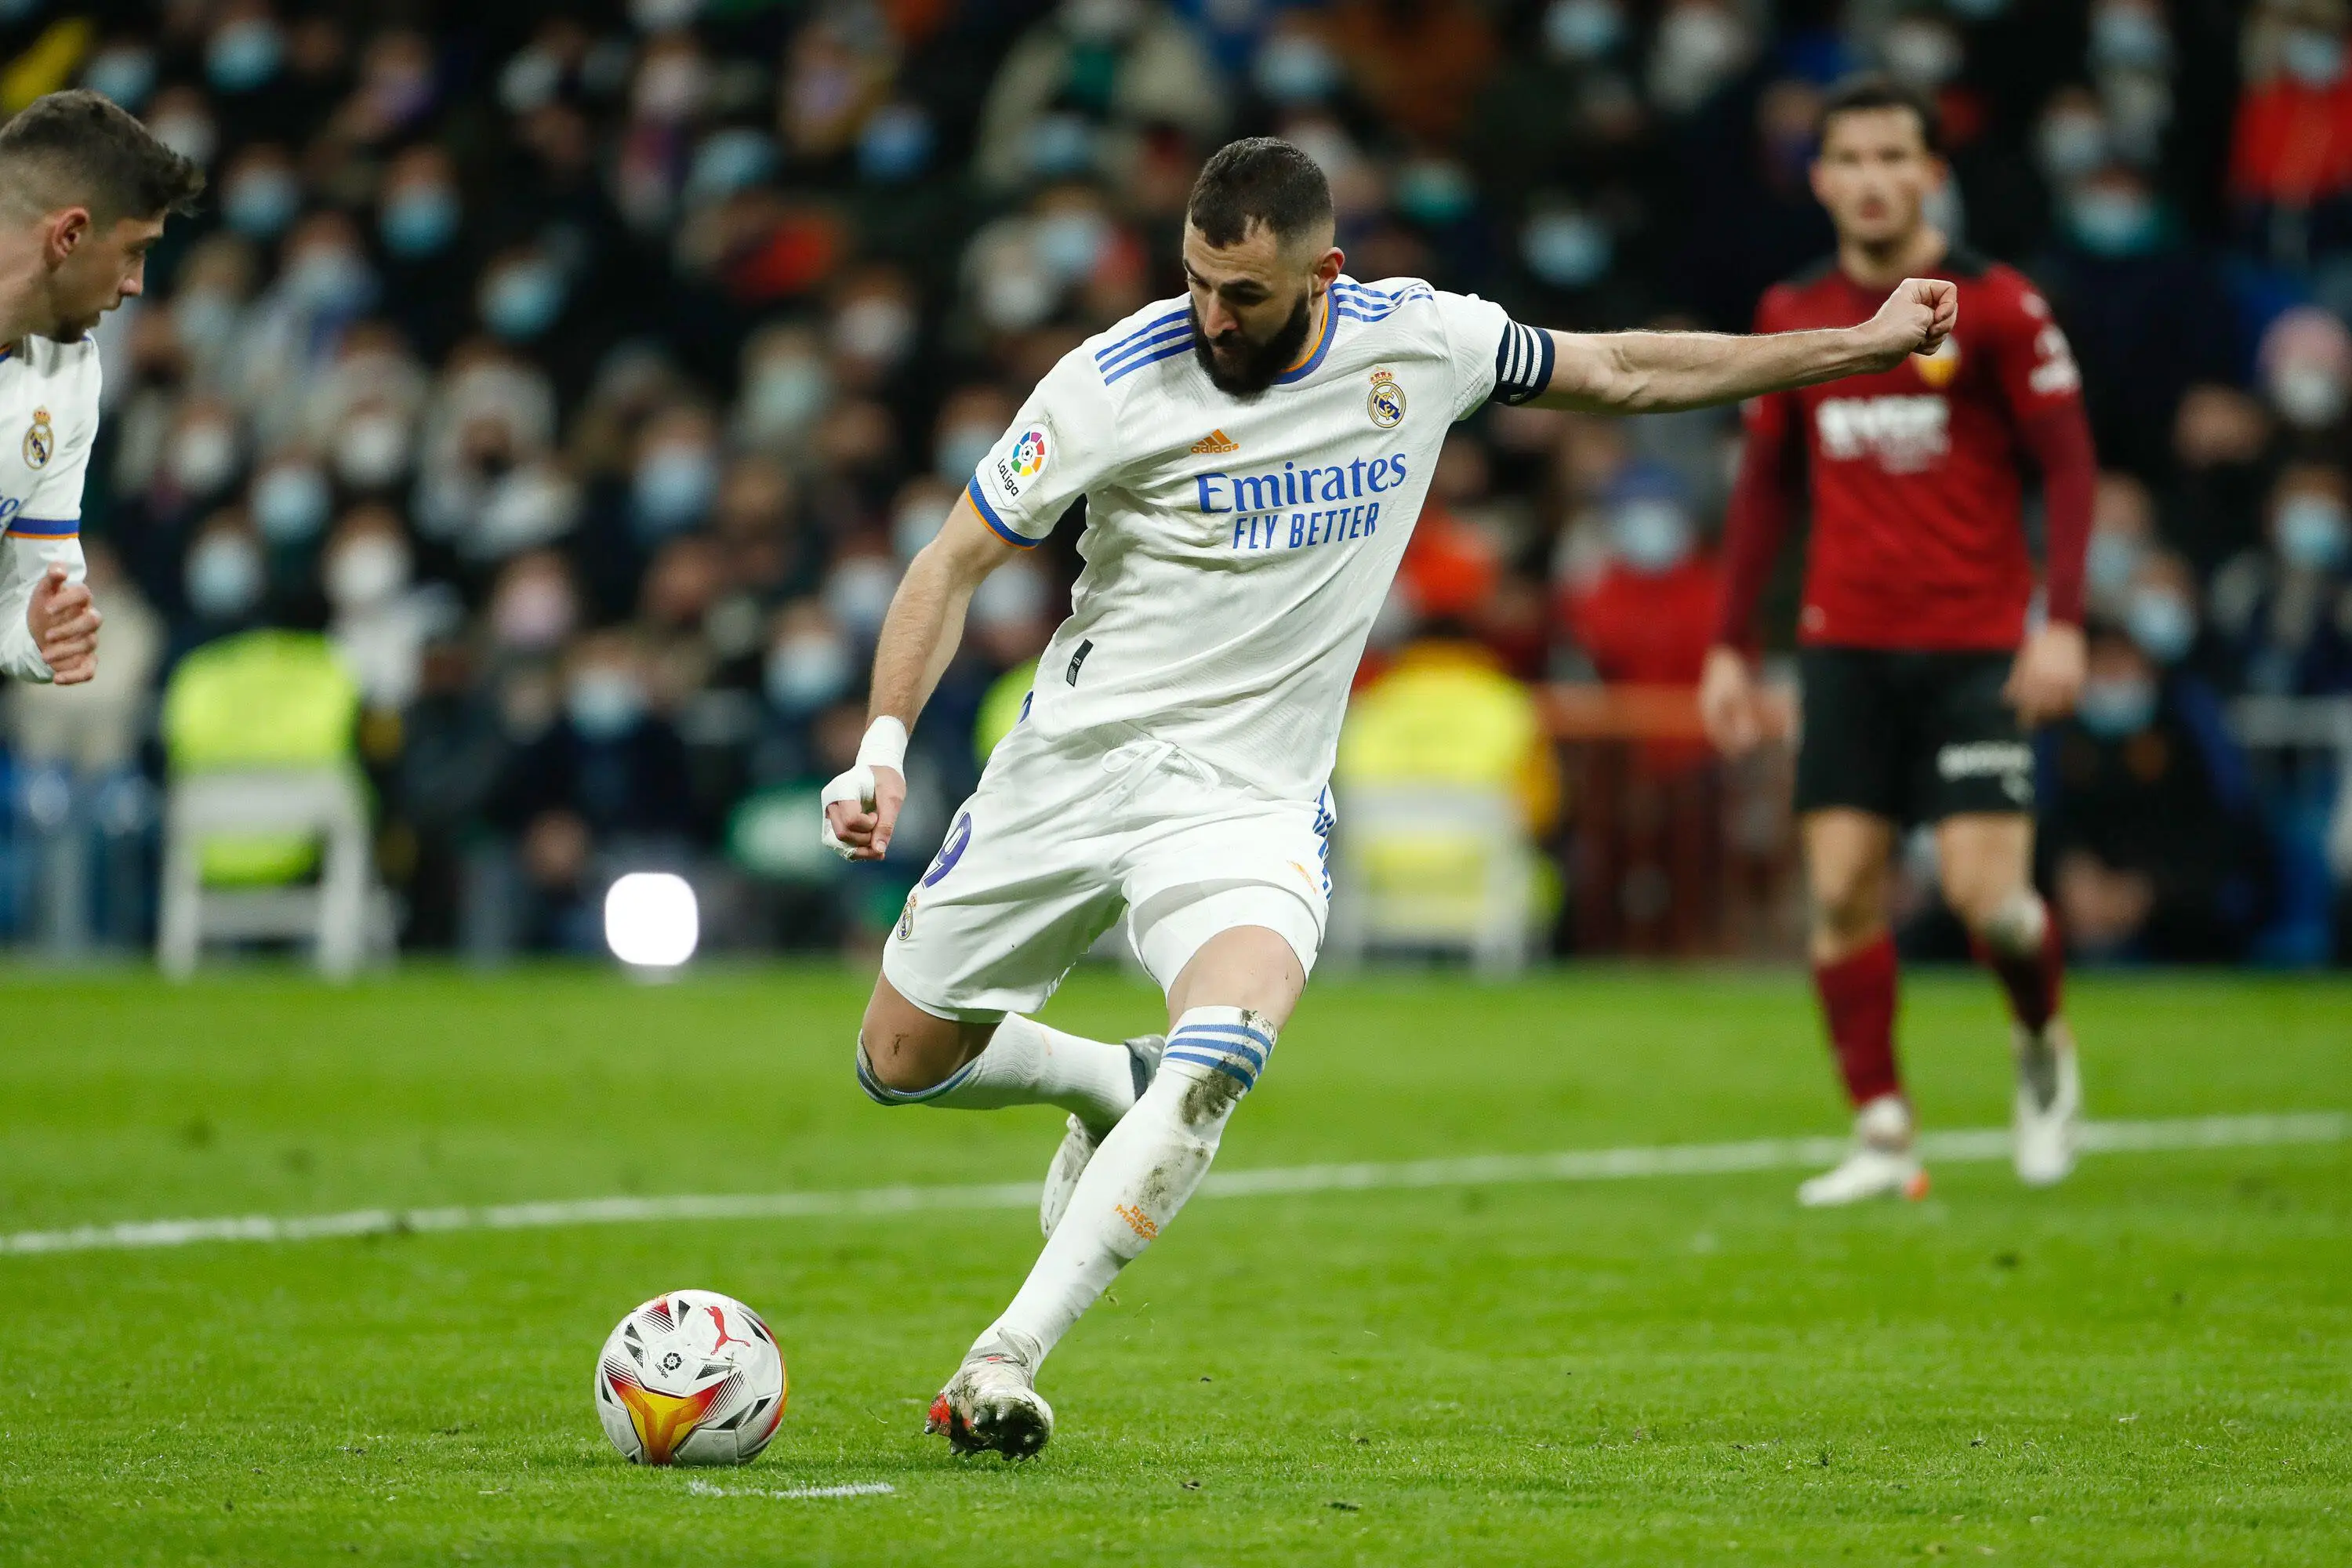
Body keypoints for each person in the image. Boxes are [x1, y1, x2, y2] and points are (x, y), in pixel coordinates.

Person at [822, 136, 1955, 1459]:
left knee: (1224, 1055)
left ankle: (1005, 1359)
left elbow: (1630, 367)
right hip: (1074, 767)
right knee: (899, 1062)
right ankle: (1099, 1082)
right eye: (1193, 281)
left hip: (1246, 799)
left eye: (1242, 293)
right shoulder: (1109, 382)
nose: (1210, 316)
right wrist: (886, 742)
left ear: (1325, 273)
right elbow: (950, 563)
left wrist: (1851, 346)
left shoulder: (1421, 342)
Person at [1698, 77, 2099, 1207]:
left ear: (1931, 172)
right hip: (1845, 644)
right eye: (1852, 160)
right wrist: (1730, 645)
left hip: (1976, 644)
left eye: (1894, 158)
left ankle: (2041, 1043)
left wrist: (2061, 622)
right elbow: (1764, 490)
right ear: (1820, 178)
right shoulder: (1796, 316)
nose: (1873, 180)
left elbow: (2068, 469)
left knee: (1994, 901)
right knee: (1839, 894)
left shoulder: (2003, 307)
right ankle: (1881, 1128)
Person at [0, 90, 203, 688]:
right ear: (69, 236)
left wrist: (43, 638)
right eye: (134, 253)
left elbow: (30, 596)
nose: (136, 284)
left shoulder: (71, 376)